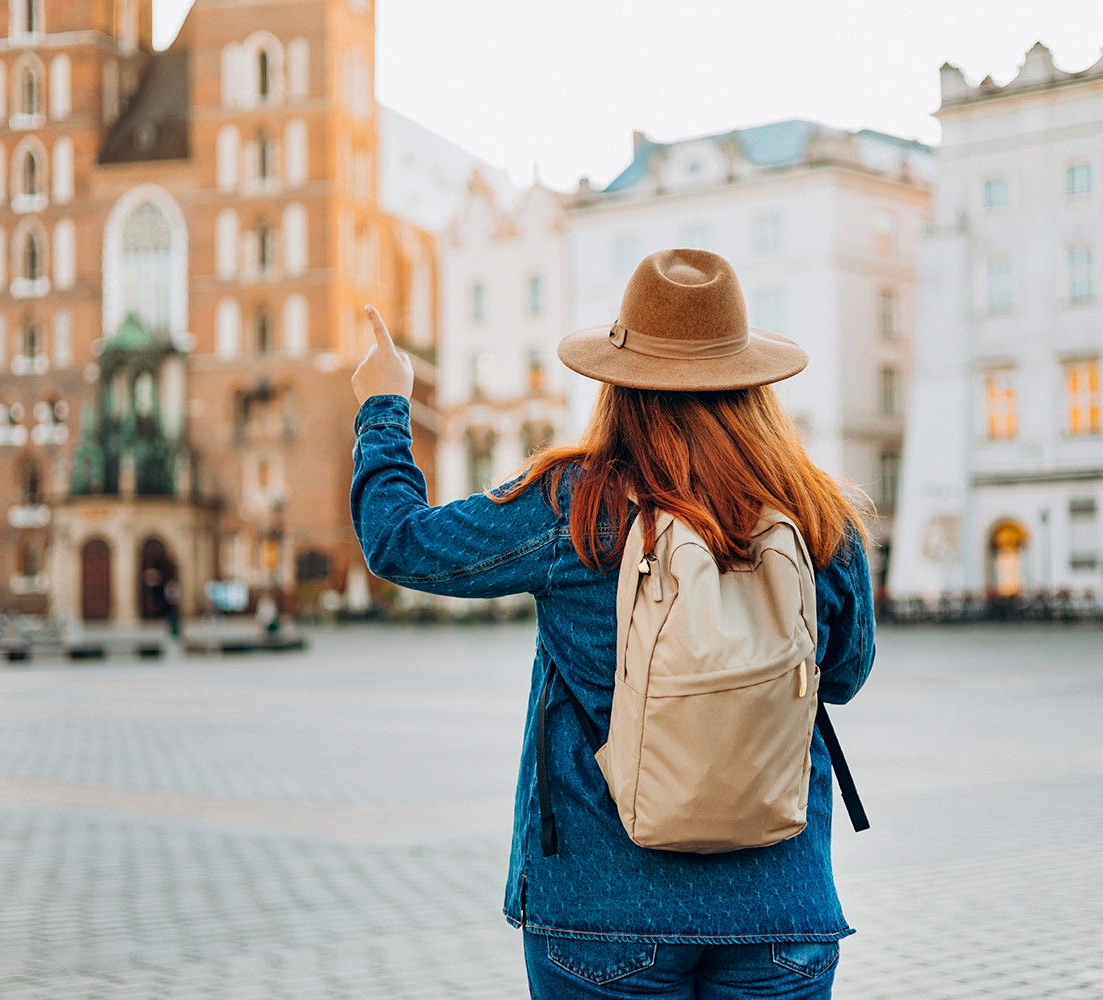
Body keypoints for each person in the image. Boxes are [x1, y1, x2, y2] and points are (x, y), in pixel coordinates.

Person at [350, 249, 876, 999]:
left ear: (619, 383)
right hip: (780, 909)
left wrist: (384, 404)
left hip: (603, 908)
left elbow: (399, 540)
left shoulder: (576, 501)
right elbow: (845, 675)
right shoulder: (818, 511)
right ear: (751, 379)